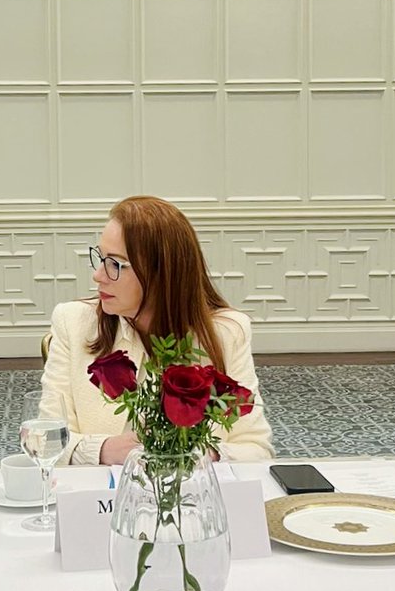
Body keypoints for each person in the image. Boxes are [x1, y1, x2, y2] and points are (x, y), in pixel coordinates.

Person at [41, 195, 274, 465]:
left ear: (162, 274)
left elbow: (256, 449)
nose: (98, 275)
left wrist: (196, 455)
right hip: (100, 501)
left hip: (189, 498)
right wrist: (103, 449)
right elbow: (46, 441)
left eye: (115, 264)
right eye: (101, 258)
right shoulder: (73, 322)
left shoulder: (227, 332)